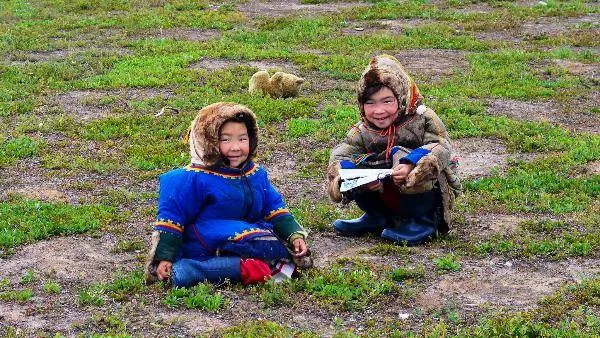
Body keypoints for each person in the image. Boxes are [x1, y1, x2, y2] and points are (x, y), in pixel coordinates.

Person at [145, 102, 311, 287]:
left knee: (279, 254)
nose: (235, 147)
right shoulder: (192, 178)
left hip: (244, 237)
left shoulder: (255, 174)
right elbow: (172, 216)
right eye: (225, 139)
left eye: (242, 139)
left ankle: (250, 266)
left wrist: (294, 236)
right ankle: (188, 270)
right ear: (206, 140)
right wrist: (165, 256)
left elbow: (273, 206)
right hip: (206, 242)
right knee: (261, 256)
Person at [327, 54, 462, 245]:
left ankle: (426, 221)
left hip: (422, 195)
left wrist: (410, 164)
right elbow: (344, 152)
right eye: (370, 103)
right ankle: (377, 215)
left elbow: (441, 146)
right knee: (354, 167)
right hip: (385, 193)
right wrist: (350, 175)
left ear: (401, 97)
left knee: (414, 159)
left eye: (387, 101)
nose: (379, 110)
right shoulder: (363, 129)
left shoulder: (423, 118)